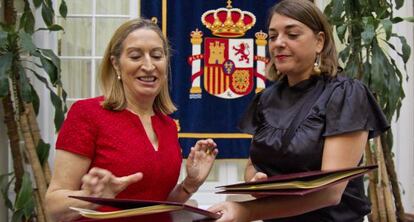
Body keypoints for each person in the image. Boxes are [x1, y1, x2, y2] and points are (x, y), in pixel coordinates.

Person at [208, 0, 389, 221]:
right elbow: (252, 165)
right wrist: (256, 181)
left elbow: (330, 193)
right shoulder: (266, 99)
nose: (278, 43)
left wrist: (247, 211)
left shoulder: (346, 94)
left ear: (319, 42)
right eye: (273, 36)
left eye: (292, 35)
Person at [45, 18, 218, 222]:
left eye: (156, 55)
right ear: (116, 64)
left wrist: (189, 184)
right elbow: (53, 207)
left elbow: (157, 206)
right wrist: (92, 198)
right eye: (136, 56)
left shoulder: (168, 126)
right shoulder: (87, 113)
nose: (148, 65)